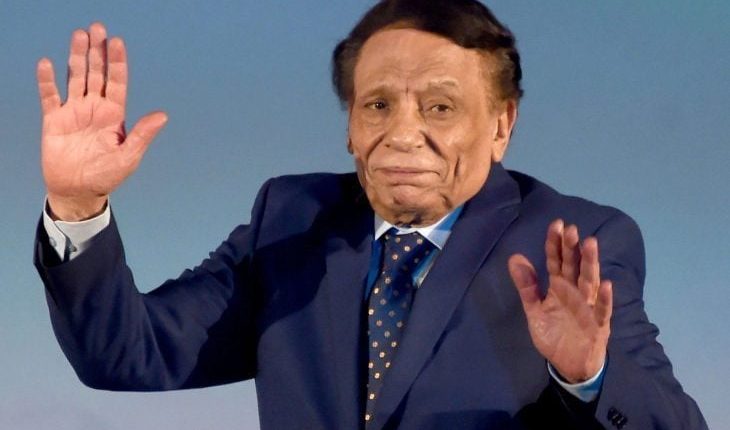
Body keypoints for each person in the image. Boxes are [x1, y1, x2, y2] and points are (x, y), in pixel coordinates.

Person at [34, 0, 707, 428]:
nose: (402, 135)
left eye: (440, 108)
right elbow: (127, 355)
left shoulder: (575, 243)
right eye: (378, 105)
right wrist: (77, 205)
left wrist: (587, 376)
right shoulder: (290, 220)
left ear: (501, 126)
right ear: (350, 127)